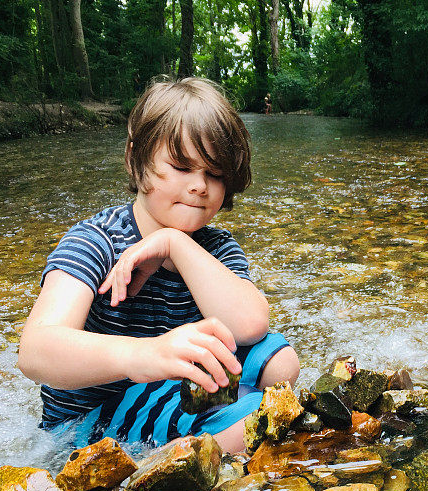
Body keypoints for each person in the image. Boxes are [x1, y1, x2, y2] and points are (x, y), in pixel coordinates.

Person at [18, 77, 300, 453]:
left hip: (170, 388)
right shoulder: (97, 242)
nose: (200, 186)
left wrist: (175, 244)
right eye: (182, 167)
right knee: (253, 423)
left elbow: (251, 326)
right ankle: (207, 445)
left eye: (214, 174)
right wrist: (143, 354)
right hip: (91, 418)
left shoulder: (214, 247)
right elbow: (35, 350)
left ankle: (216, 426)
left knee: (281, 362)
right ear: (136, 160)